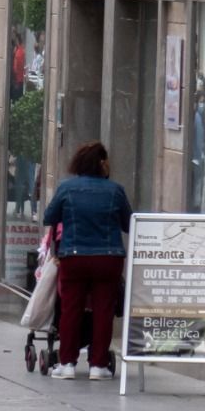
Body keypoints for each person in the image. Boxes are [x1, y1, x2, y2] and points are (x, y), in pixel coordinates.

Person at [42, 141, 133, 381]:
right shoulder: (115, 190)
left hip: (74, 257)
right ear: (102, 163)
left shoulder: (66, 188)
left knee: (71, 310)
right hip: (108, 258)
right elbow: (128, 223)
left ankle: (67, 363)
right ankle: (98, 365)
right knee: (104, 310)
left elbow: (49, 216)